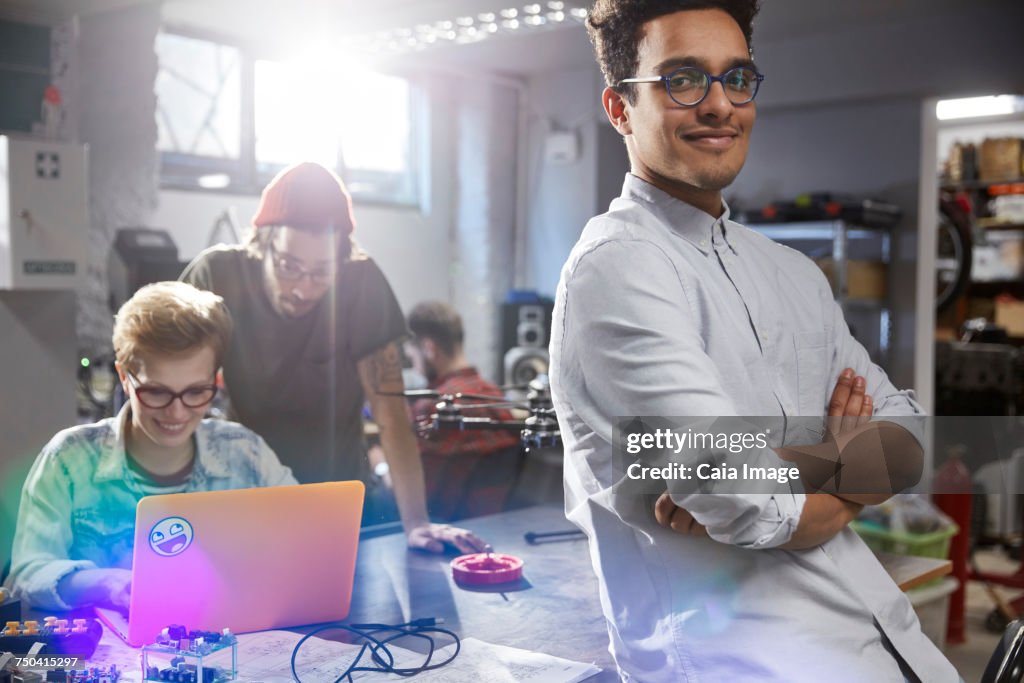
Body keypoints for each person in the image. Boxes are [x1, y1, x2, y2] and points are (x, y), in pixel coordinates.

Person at [549, 1, 959, 681]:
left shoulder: (794, 273)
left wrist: (782, 471)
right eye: (682, 79)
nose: (718, 104)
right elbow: (742, 496)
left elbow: (907, 437)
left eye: (735, 78)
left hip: (892, 646)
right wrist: (842, 458)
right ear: (620, 109)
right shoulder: (615, 269)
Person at [181, 162, 484, 553]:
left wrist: (417, 523)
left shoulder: (361, 285)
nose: (304, 288)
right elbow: (173, 378)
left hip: (337, 501)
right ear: (261, 242)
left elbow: (391, 417)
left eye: (322, 272)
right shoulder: (216, 277)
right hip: (244, 496)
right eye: (289, 266)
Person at [5, 282, 297, 611]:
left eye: (196, 391)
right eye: (156, 392)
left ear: (215, 380)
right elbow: (28, 573)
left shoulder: (246, 454)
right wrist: (107, 584)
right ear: (124, 377)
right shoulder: (70, 460)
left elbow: (303, 539)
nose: (177, 412)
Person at [404, 301, 521, 520]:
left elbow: (415, 496)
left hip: (444, 528)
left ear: (429, 348)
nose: (414, 368)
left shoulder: (433, 408)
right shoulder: (494, 395)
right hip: (495, 524)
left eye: (412, 358)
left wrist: (380, 463)